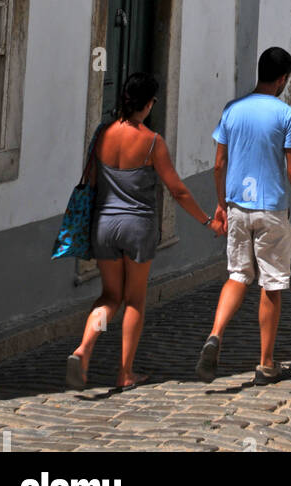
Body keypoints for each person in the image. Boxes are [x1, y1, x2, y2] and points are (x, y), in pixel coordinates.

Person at [66, 72, 223, 390]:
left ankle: (84, 348)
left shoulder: (102, 135)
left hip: (104, 226)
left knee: (109, 297)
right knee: (135, 300)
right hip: (137, 228)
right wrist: (207, 220)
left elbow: (94, 182)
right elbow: (177, 191)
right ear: (149, 103)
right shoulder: (152, 142)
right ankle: (125, 372)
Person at [196, 46, 291, 386]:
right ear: (282, 80)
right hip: (271, 210)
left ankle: (216, 334)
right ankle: (265, 364)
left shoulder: (232, 110)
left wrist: (221, 203)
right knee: (271, 283)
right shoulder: (286, 115)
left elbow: (219, 163)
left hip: (237, 207)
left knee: (237, 274)